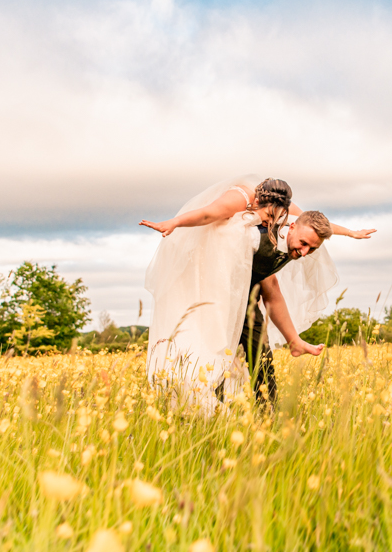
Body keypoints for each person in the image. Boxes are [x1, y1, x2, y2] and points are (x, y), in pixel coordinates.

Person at [140, 176, 374, 411]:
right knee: (214, 350)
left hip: (249, 286)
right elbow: (208, 214)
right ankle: (209, 410)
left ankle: (267, 414)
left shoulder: (290, 218)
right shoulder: (240, 207)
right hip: (215, 285)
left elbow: (318, 226)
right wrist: (174, 223)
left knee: (261, 349)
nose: (305, 252)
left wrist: (352, 233)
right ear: (258, 202)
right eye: (268, 216)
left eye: (311, 248)